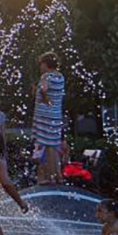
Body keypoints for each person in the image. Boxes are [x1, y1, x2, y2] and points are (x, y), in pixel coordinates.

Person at [33, 52, 65, 185]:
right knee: (53, 146)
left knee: (45, 146)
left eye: (41, 64)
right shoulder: (60, 76)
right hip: (56, 115)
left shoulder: (46, 76)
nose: (40, 66)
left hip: (44, 116)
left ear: (46, 64)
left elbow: (44, 90)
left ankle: (48, 177)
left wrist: (45, 99)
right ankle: (57, 175)